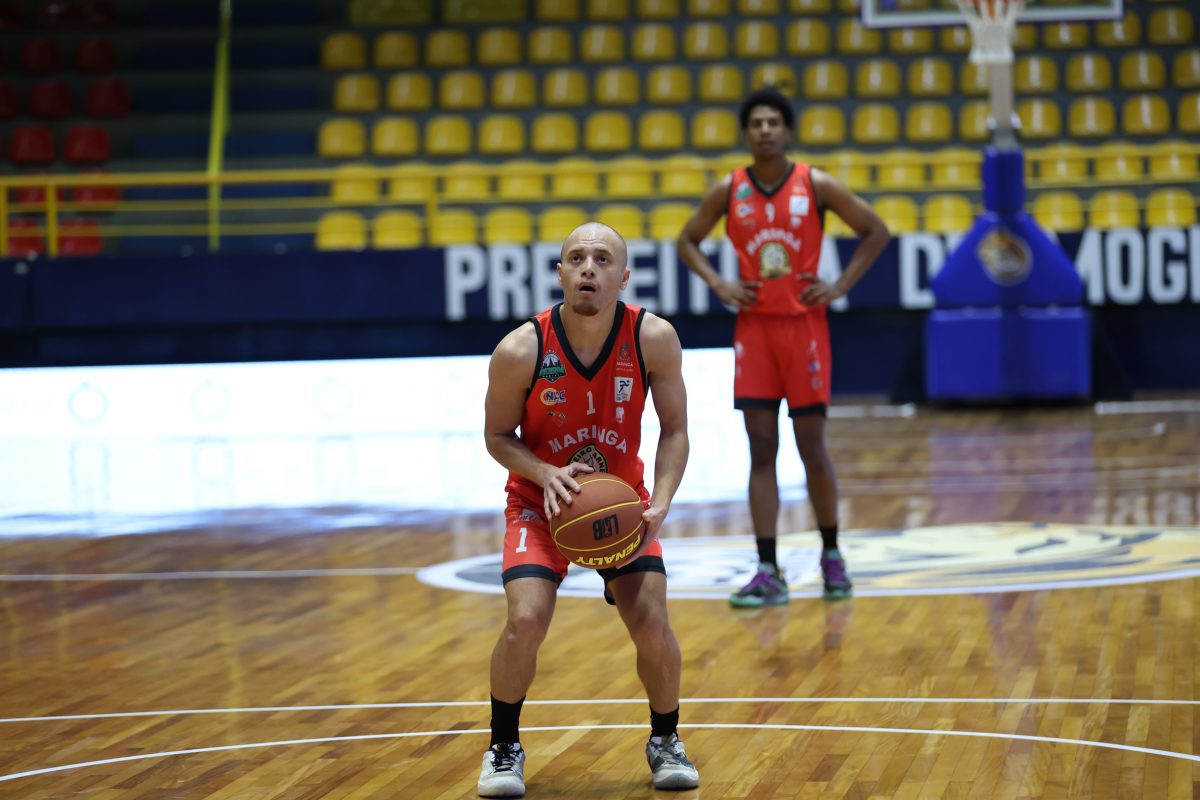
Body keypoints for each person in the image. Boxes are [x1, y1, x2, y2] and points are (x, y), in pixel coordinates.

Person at [478, 222, 697, 796]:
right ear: (560, 273)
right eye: (576, 258)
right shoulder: (521, 349)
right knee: (525, 622)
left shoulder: (653, 338)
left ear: (623, 277)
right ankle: (503, 747)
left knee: (653, 625)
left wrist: (661, 501)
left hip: (622, 506)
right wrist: (544, 472)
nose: (588, 269)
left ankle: (666, 739)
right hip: (540, 502)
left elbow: (675, 430)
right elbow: (497, 436)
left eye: (602, 259)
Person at [676, 88, 891, 606]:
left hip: (804, 329)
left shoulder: (814, 183)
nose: (766, 130)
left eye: (774, 122)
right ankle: (768, 569)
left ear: (788, 130)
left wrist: (840, 286)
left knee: (812, 447)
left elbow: (876, 231)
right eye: (757, 123)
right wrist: (719, 283)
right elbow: (686, 241)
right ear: (746, 133)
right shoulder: (729, 189)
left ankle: (832, 555)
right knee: (761, 449)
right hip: (754, 330)